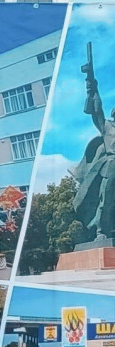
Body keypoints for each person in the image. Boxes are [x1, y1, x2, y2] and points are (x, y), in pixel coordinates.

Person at [72, 76, 115, 241]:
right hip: (111, 166)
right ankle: (101, 230)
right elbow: (98, 111)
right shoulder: (108, 127)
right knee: (106, 199)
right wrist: (93, 89)